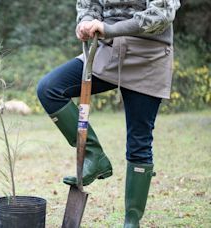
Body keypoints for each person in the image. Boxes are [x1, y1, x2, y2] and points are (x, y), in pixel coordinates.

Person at [36, 0, 181, 227]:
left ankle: (131, 220)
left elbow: (162, 14)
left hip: (148, 56)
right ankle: (94, 156)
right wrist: (85, 22)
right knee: (50, 88)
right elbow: (89, 5)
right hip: (107, 50)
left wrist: (110, 29)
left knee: (139, 142)